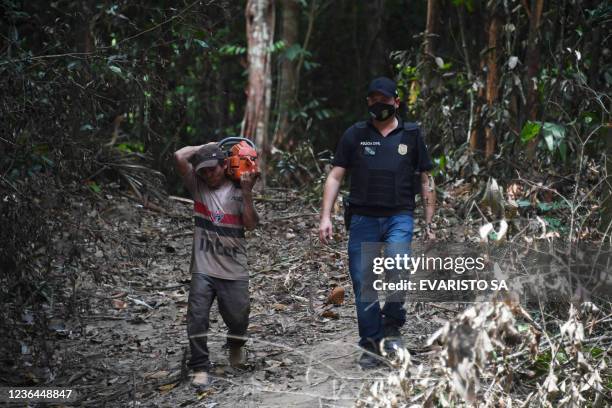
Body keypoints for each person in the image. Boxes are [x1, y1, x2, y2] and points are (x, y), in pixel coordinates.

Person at [318, 77, 437, 369]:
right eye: (372, 99)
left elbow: (426, 179)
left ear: (396, 102)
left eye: (384, 99)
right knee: (364, 282)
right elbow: (336, 175)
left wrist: (430, 221)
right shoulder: (355, 134)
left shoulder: (411, 135)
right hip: (363, 218)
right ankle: (371, 345)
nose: (378, 104)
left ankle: (392, 324)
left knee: (398, 266)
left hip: (400, 215)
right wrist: (325, 216)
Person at [174, 142, 260, 387]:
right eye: (203, 171)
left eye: (213, 169)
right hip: (203, 267)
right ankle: (200, 366)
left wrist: (247, 192)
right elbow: (179, 155)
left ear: (225, 164)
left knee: (238, 318)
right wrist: (210, 146)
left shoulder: (238, 189)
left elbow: (251, 224)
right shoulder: (197, 187)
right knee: (197, 317)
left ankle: (235, 345)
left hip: (233, 269)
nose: (208, 175)